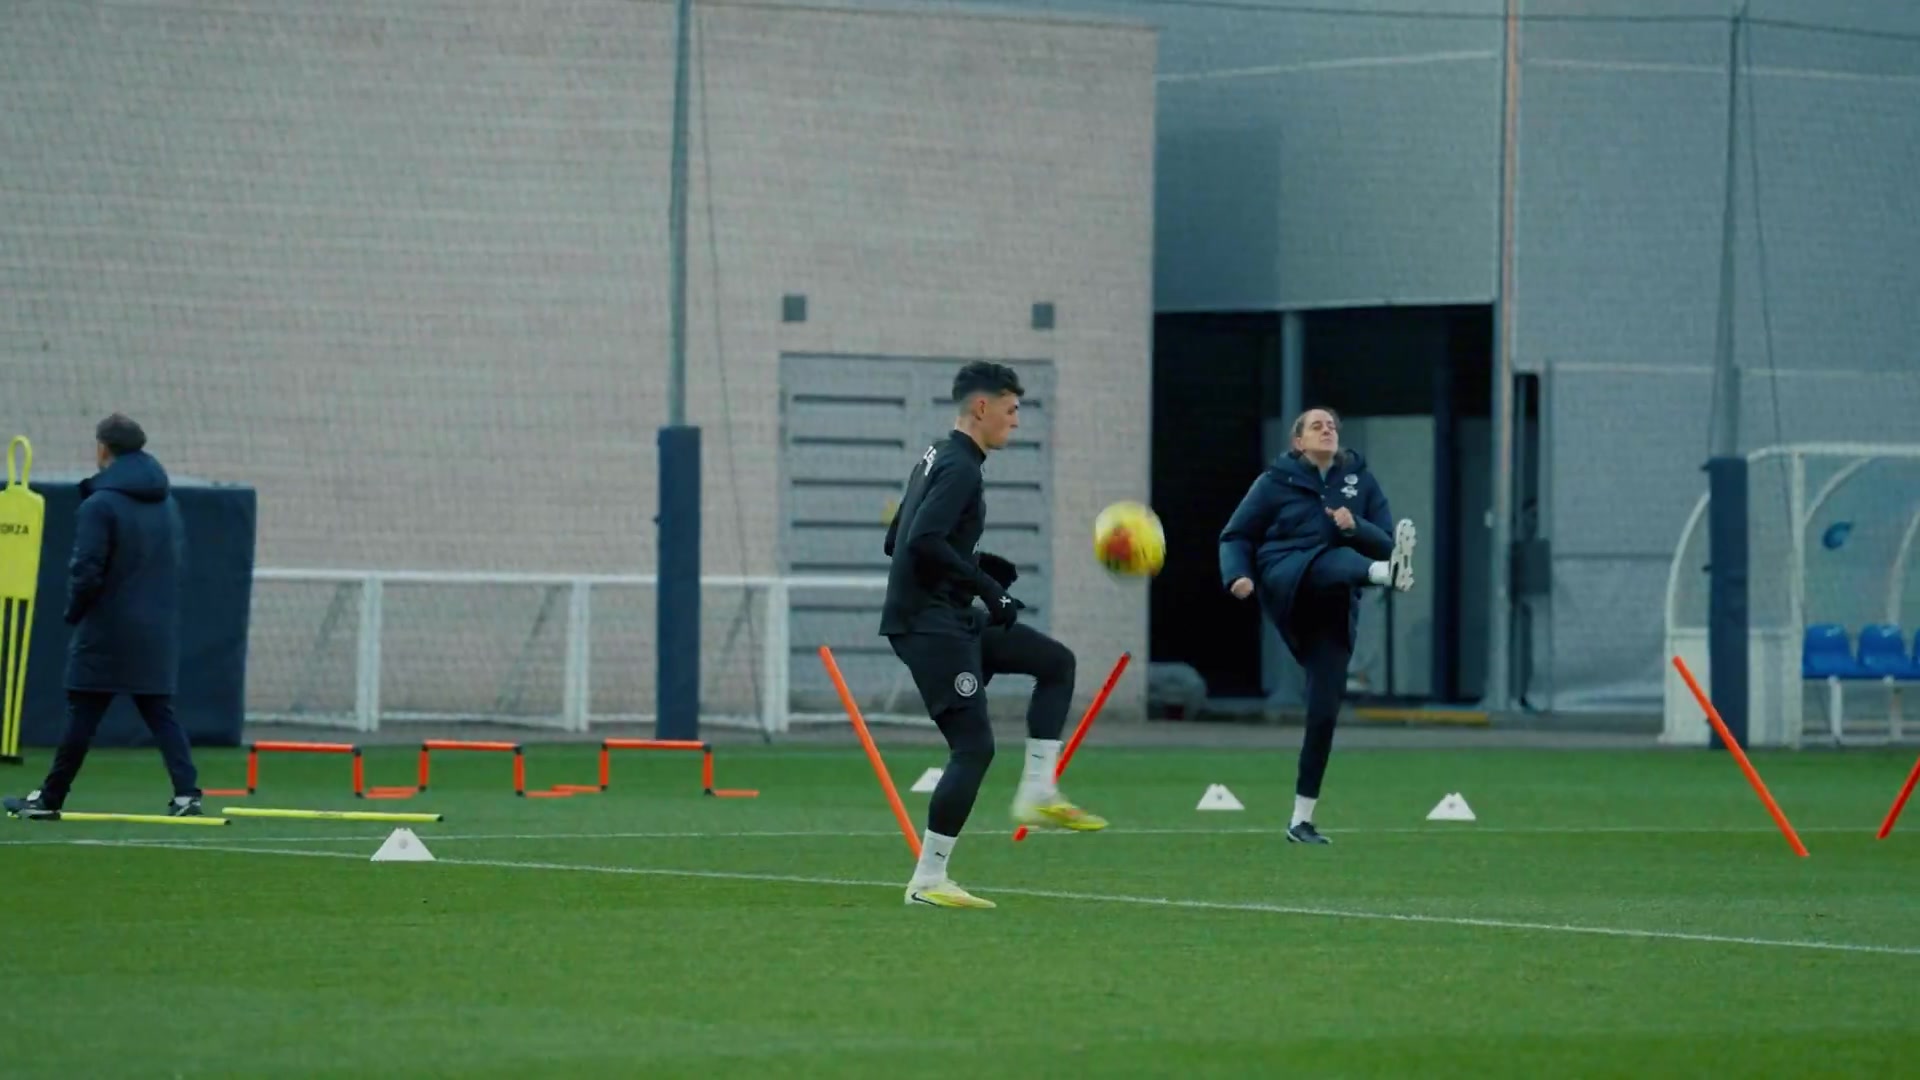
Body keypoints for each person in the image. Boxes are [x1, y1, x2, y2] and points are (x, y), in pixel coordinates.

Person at [880, 360, 1107, 910]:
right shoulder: (960, 467)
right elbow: (920, 542)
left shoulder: (935, 455)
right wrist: (987, 588)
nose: (1016, 421)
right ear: (982, 407)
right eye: (1011, 409)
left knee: (1055, 662)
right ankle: (928, 881)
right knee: (974, 747)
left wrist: (976, 567)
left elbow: (896, 539)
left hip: (949, 615)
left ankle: (1038, 792)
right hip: (928, 624)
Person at [1217, 407, 1416, 844]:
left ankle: (1300, 821)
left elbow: (1387, 543)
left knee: (1324, 710)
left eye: (1331, 426)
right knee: (1335, 558)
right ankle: (1384, 578)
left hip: (1334, 602)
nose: (1327, 430)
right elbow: (1236, 535)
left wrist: (1356, 525)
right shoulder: (1274, 482)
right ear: (1298, 442)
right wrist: (1237, 575)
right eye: (1316, 426)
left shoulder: (1361, 481)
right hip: (1286, 579)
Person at [4, 414, 203, 820]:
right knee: (159, 711)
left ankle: (50, 799)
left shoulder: (100, 504)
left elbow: (86, 569)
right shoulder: (167, 504)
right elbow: (177, 563)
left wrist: (75, 611)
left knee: (83, 713)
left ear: (103, 448)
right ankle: (187, 795)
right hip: (156, 627)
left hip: (108, 627)